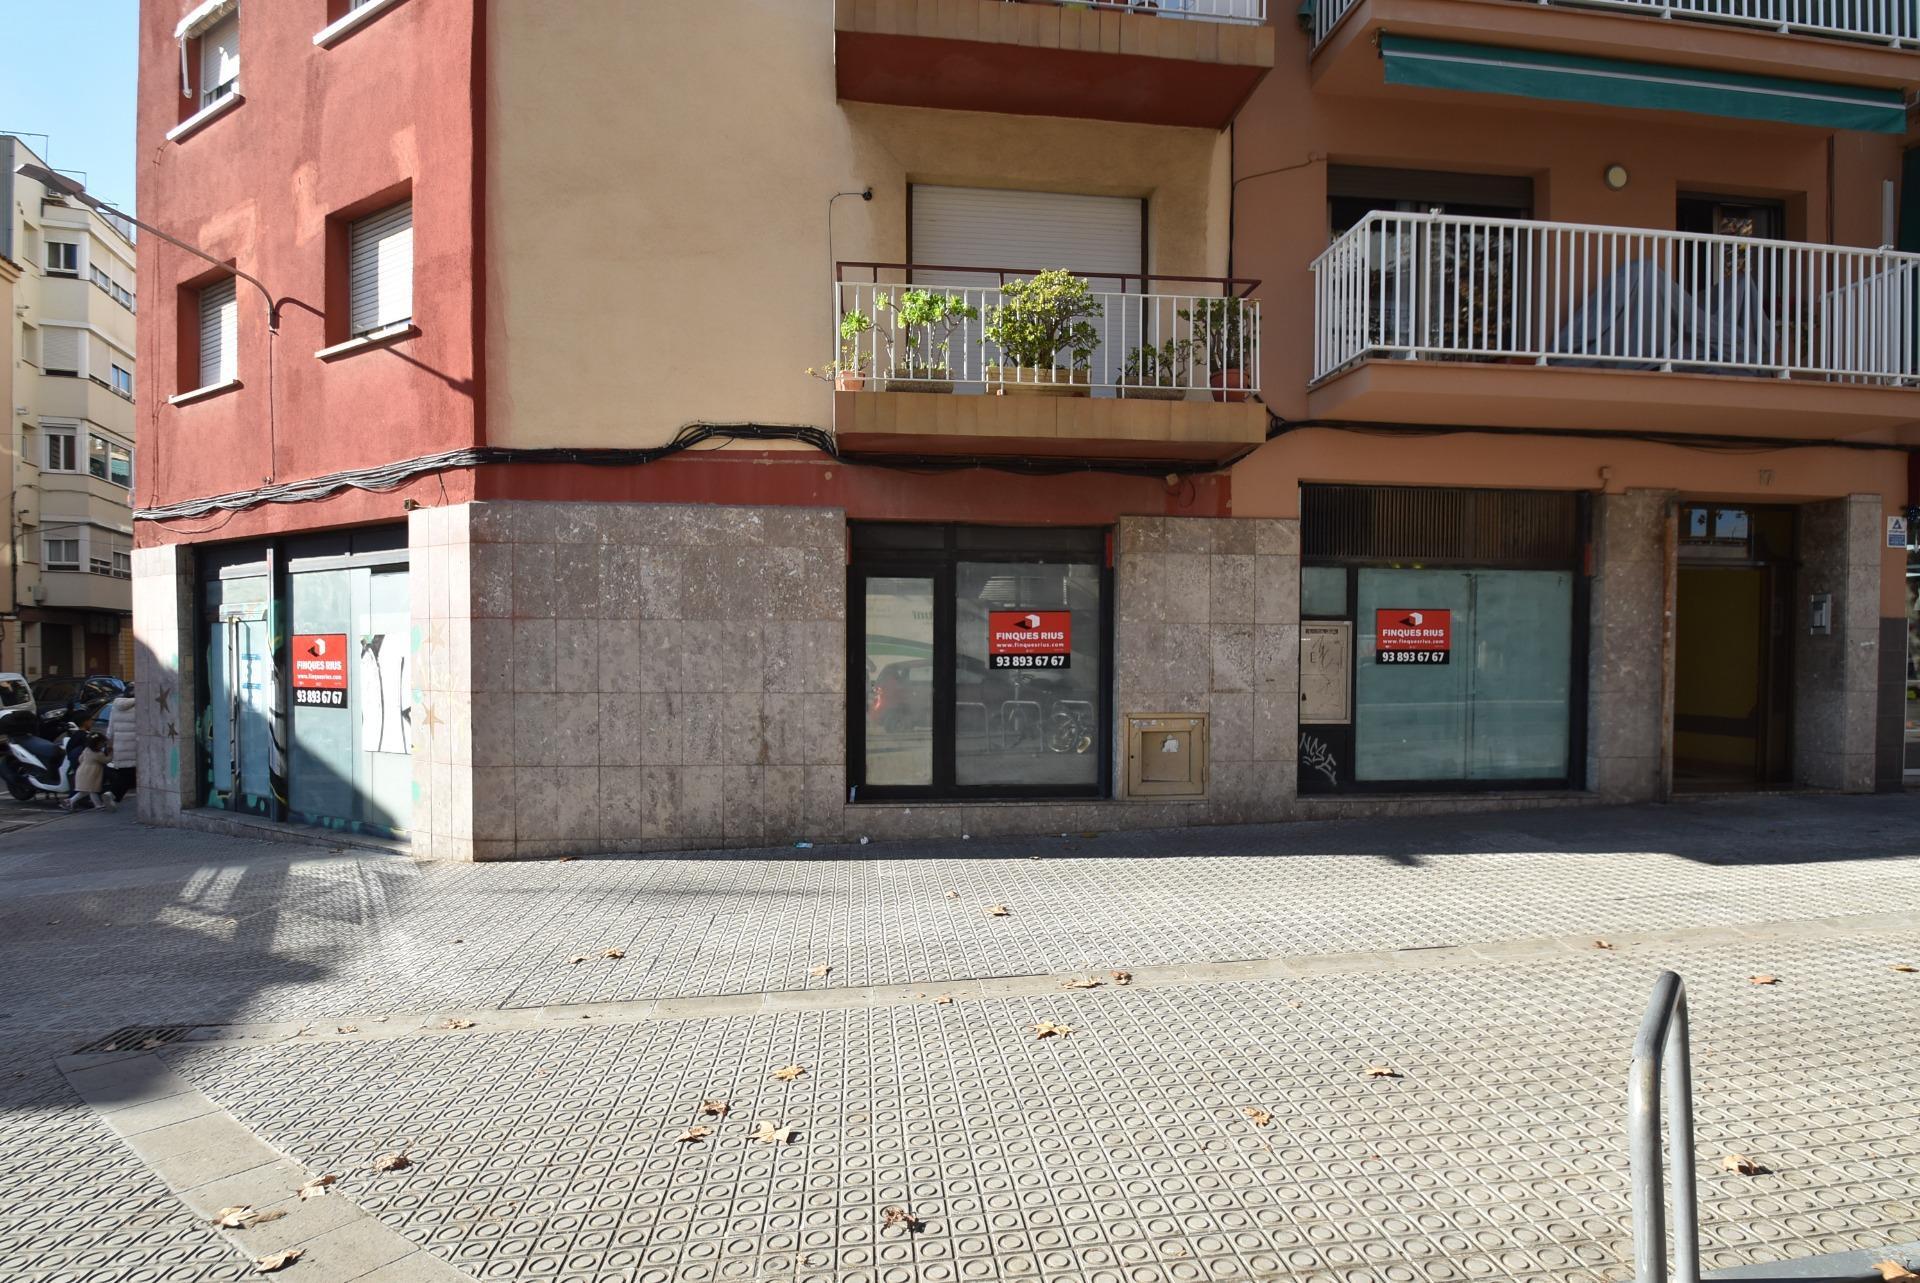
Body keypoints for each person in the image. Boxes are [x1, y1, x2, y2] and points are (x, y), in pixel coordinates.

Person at [65, 733, 113, 812]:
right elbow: (106, 760)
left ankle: (70, 801)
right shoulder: (98, 754)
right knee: (92, 790)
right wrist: (111, 754)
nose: (103, 745)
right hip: (91, 774)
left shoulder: (86, 750)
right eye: (102, 743)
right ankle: (98, 805)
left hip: (81, 772)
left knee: (84, 791)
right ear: (97, 744)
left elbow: (80, 759)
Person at [107, 694, 137, 801]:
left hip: (120, 747)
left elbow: (110, 730)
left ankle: (113, 795)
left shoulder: (115, 707)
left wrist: (110, 744)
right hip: (134, 747)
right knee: (130, 775)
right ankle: (113, 794)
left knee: (124, 773)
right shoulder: (138, 705)